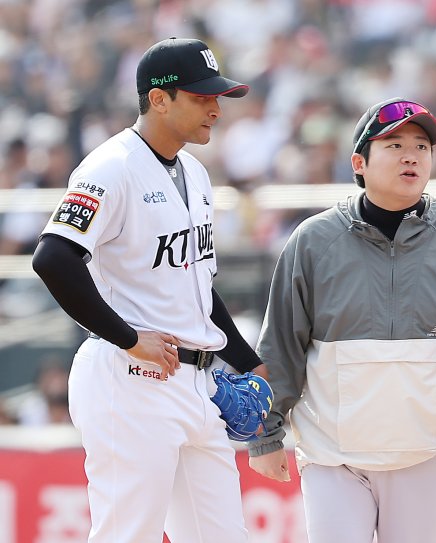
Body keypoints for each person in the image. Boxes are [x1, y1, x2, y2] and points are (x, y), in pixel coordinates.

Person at [247, 97, 436, 542]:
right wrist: (264, 434)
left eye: (422, 146)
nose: (411, 154)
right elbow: (280, 345)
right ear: (359, 161)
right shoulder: (313, 242)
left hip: (425, 456)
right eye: (394, 145)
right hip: (331, 457)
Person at [32, 37, 268, 543]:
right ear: (159, 99)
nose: (216, 108)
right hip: (130, 378)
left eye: (218, 97)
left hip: (195, 383)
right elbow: (53, 257)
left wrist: (248, 361)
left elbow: (198, 288)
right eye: (203, 96)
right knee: (126, 535)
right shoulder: (110, 166)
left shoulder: (197, 173)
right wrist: (127, 336)